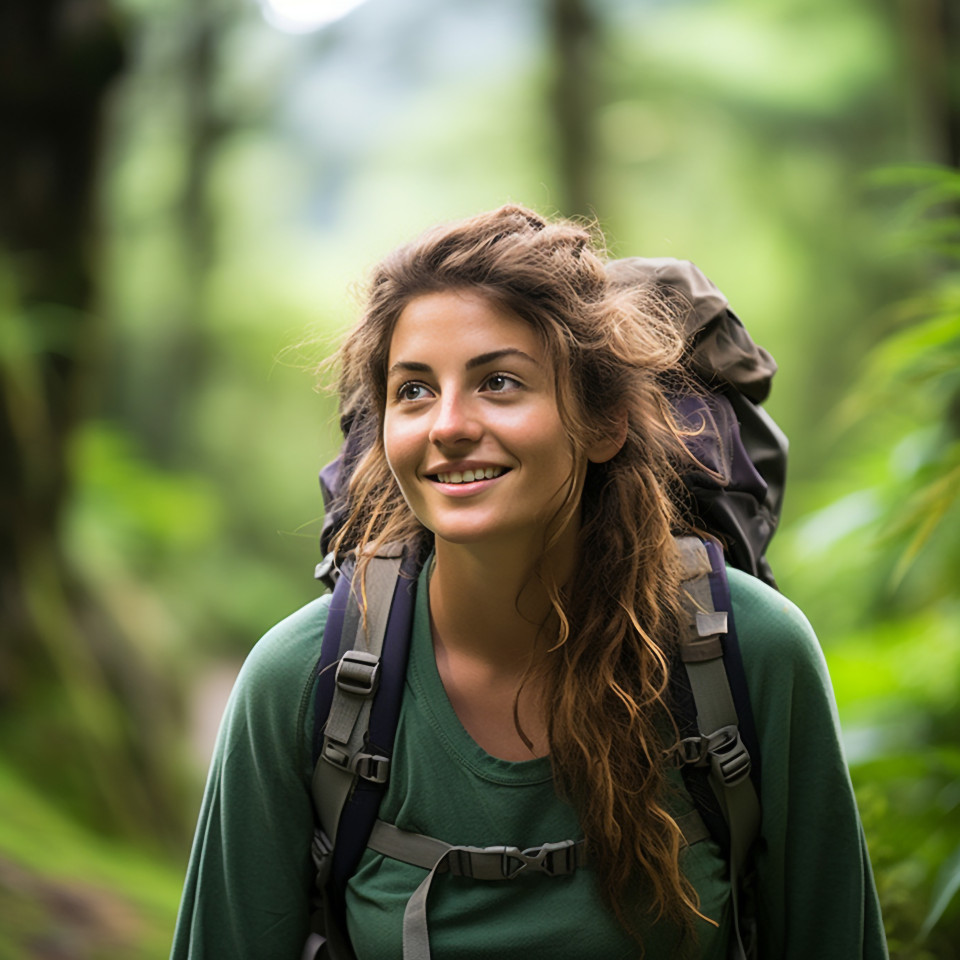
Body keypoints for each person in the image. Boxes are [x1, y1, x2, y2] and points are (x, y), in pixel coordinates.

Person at [171, 205, 888, 959]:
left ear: (603, 422)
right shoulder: (299, 682)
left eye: (500, 382)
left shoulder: (752, 658)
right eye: (413, 390)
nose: (447, 424)